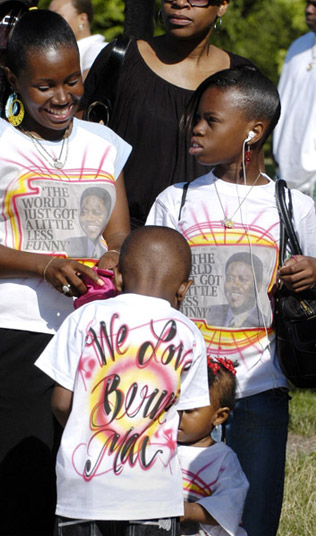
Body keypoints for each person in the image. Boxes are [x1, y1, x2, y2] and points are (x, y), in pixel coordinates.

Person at [0, 7, 131, 535]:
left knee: (81, 491)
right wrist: (46, 265)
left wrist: (116, 256)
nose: (62, 97)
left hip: (93, 338)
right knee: (17, 496)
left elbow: (117, 233)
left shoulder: (104, 144)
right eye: (45, 85)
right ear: (13, 80)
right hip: (14, 336)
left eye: (71, 80)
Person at [146, 65, 316, 536]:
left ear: (253, 131)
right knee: (172, 512)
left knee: (254, 514)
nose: (194, 128)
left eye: (210, 119)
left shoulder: (293, 207)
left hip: (260, 388)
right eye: (194, 117)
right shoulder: (175, 201)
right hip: (182, 389)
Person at [35, 225, 210, 536]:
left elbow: (61, 402)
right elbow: (192, 417)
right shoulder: (188, 333)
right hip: (153, 499)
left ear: (117, 277)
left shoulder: (83, 318)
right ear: (185, 288)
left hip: (83, 495)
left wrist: (84, 431)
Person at [82, 0, 254, 229]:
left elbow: (249, 168)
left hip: (210, 239)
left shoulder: (242, 78)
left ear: (222, 5)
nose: (180, 3)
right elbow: (81, 146)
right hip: (122, 240)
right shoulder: (120, 59)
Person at [178, 356, 248, 536]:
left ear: (219, 416)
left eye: (188, 410)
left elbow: (229, 505)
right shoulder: (160, 448)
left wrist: (187, 511)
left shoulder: (222, 459)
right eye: (172, 406)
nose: (177, 416)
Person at [272, 0, 316, 201]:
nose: (308, 9)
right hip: (286, 175)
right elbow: (283, 104)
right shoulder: (298, 47)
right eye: (308, 3)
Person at [206, 252, 269, 328]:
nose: (235, 285)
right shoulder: (209, 314)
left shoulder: (264, 324)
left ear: (258, 286)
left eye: (243, 279)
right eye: (230, 278)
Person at [49, 0, 107, 79]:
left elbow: (88, 88)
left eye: (58, 16)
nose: (51, 23)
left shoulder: (97, 50)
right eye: (50, 18)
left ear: (82, 19)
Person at [68, 187, 112, 257]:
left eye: (96, 213)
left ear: (108, 216)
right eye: (84, 212)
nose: (89, 218)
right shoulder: (68, 246)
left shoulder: (110, 249)